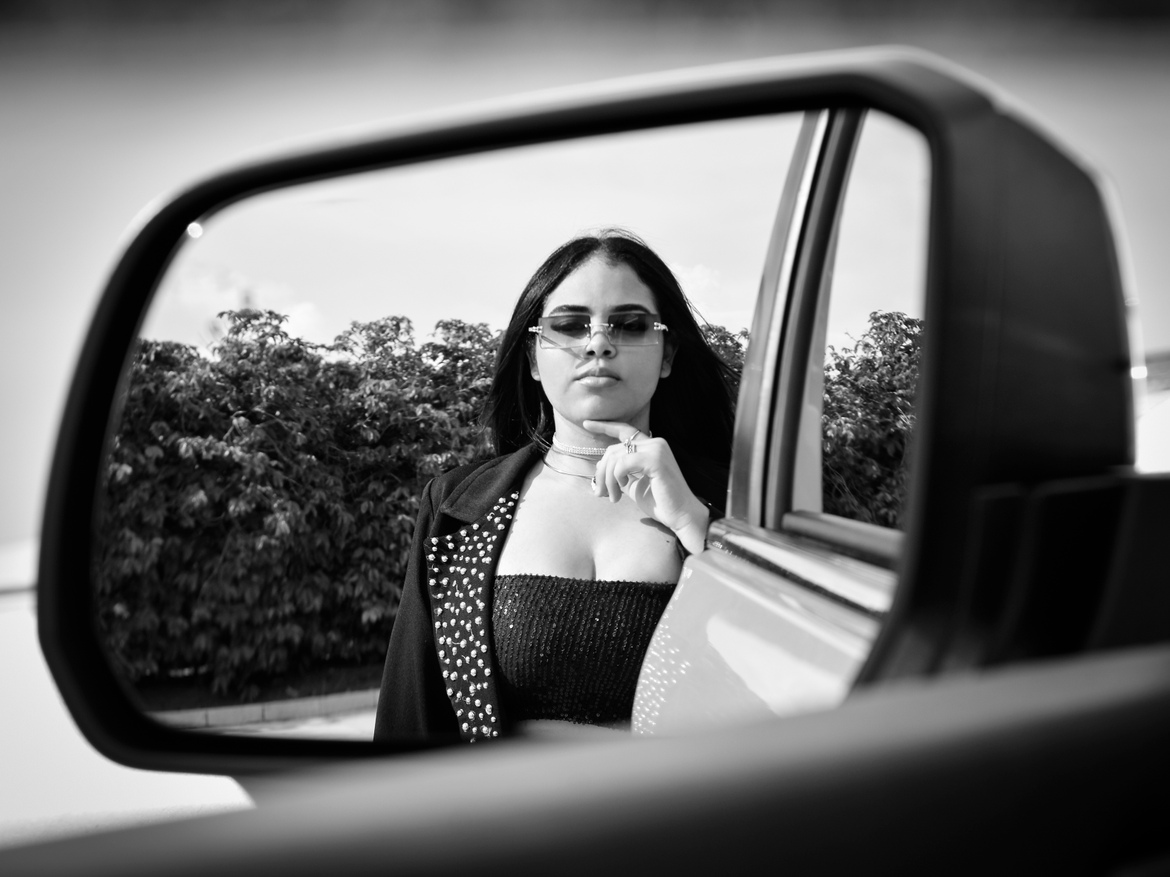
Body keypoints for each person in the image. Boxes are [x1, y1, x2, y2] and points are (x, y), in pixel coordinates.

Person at [373, 229, 736, 743]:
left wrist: (696, 525)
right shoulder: (456, 507)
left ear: (668, 354)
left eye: (630, 325)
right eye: (569, 325)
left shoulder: (740, 504)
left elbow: (785, 673)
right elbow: (411, 715)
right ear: (532, 358)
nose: (598, 343)